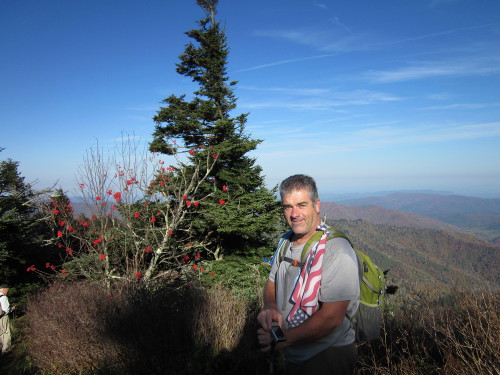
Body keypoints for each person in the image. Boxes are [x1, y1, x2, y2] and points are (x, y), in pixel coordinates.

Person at [257, 175, 360, 375]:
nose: (294, 214)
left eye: (301, 205)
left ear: (317, 205)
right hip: (295, 353)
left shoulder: (336, 250)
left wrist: (281, 340)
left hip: (327, 356)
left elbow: (332, 318)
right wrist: (270, 306)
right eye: (288, 206)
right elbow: (272, 282)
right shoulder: (286, 242)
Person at [0, 284, 15, 354]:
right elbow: (6, 310)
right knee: (6, 331)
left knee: (1, 333)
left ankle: (2, 346)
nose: (7, 292)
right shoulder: (3, 297)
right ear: (4, 289)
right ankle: (6, 348)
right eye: (7, 290)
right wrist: (12, 308)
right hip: (2, 317)